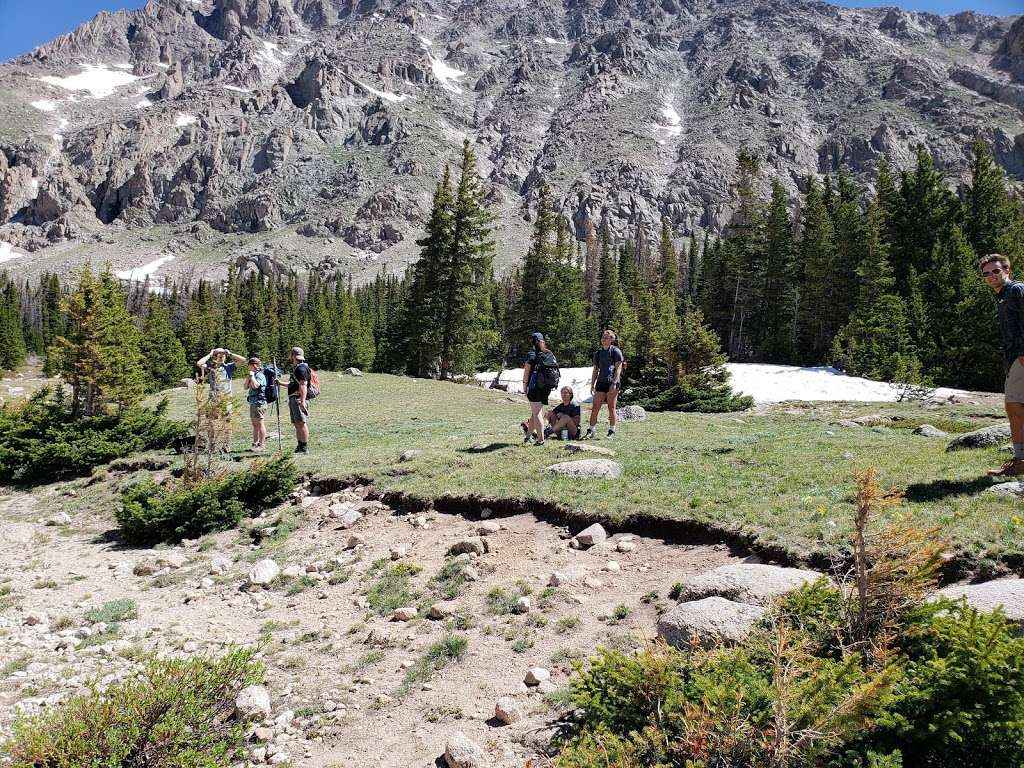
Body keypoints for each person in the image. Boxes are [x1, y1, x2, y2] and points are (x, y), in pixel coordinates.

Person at [982, 254, 1024, 476]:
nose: (991, 276)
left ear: (1007, 270)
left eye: (996, 271)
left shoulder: (1016, 290)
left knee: (1014, 404)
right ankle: (1020, 460)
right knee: (1014, 406)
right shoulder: (1003, 296)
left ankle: (1021, 461)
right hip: (1013, 357)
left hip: (1021, 356)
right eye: (987, 273)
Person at [586, 329, 624, 439]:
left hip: (612, 383)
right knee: (595, 407)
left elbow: (618, 368)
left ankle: (612, 430)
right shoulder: (598, 354)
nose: (603, 339)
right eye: (603, 337)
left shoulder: (616, 352)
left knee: (611, 407)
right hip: (601, 382)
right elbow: (595, 370)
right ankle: (591, 429)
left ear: (612, 339)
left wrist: (615, 382)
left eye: (606, 337)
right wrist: (592, 384)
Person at [522, 332, 558, 446]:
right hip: (546, 388)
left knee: (537, 413)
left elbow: (526, 372)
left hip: (534, 387)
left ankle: (540, 440)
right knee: (535, 413)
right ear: (543, 341)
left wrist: (524, 385)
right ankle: (528, 437)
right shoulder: (549, 354)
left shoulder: (532, 355)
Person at [287, 347, 312, 454]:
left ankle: (304, 447)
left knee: (301, 422)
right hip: (294, 398)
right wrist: (279, 383)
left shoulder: (301, 368)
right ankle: (300, 446)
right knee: (297, 423)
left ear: (293, 355)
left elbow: (303, 384)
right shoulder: (297, 368)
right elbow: (294, 384)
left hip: (298, 399)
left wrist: (302, 401)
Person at [243, 357, 268, 451]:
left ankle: (262, 444)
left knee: (260, 423)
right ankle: (255, 443)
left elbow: (256, 386)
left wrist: (252, 377)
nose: (248, 368)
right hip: (253, 402)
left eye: (249, 365)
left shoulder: (260, 375)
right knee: (254, 424)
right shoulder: (253, 374)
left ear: (253, 365)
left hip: (259, 402)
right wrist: (249, 377)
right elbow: (245, 387)